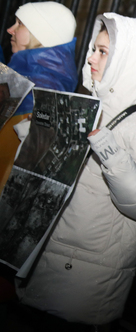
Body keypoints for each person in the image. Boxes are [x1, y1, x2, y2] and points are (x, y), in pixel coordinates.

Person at [13, 13, 136, 332]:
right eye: (93, 50)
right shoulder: (92, 105)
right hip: (58, 254)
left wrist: (110, 153)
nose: (91, 59)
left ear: (129, 61)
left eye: (103, 52)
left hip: (85, 267)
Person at [0, 1, 77, 194]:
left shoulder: (42, 89)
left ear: (41, 34)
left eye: (19, 24)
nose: (10, 30)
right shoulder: (21, 75)